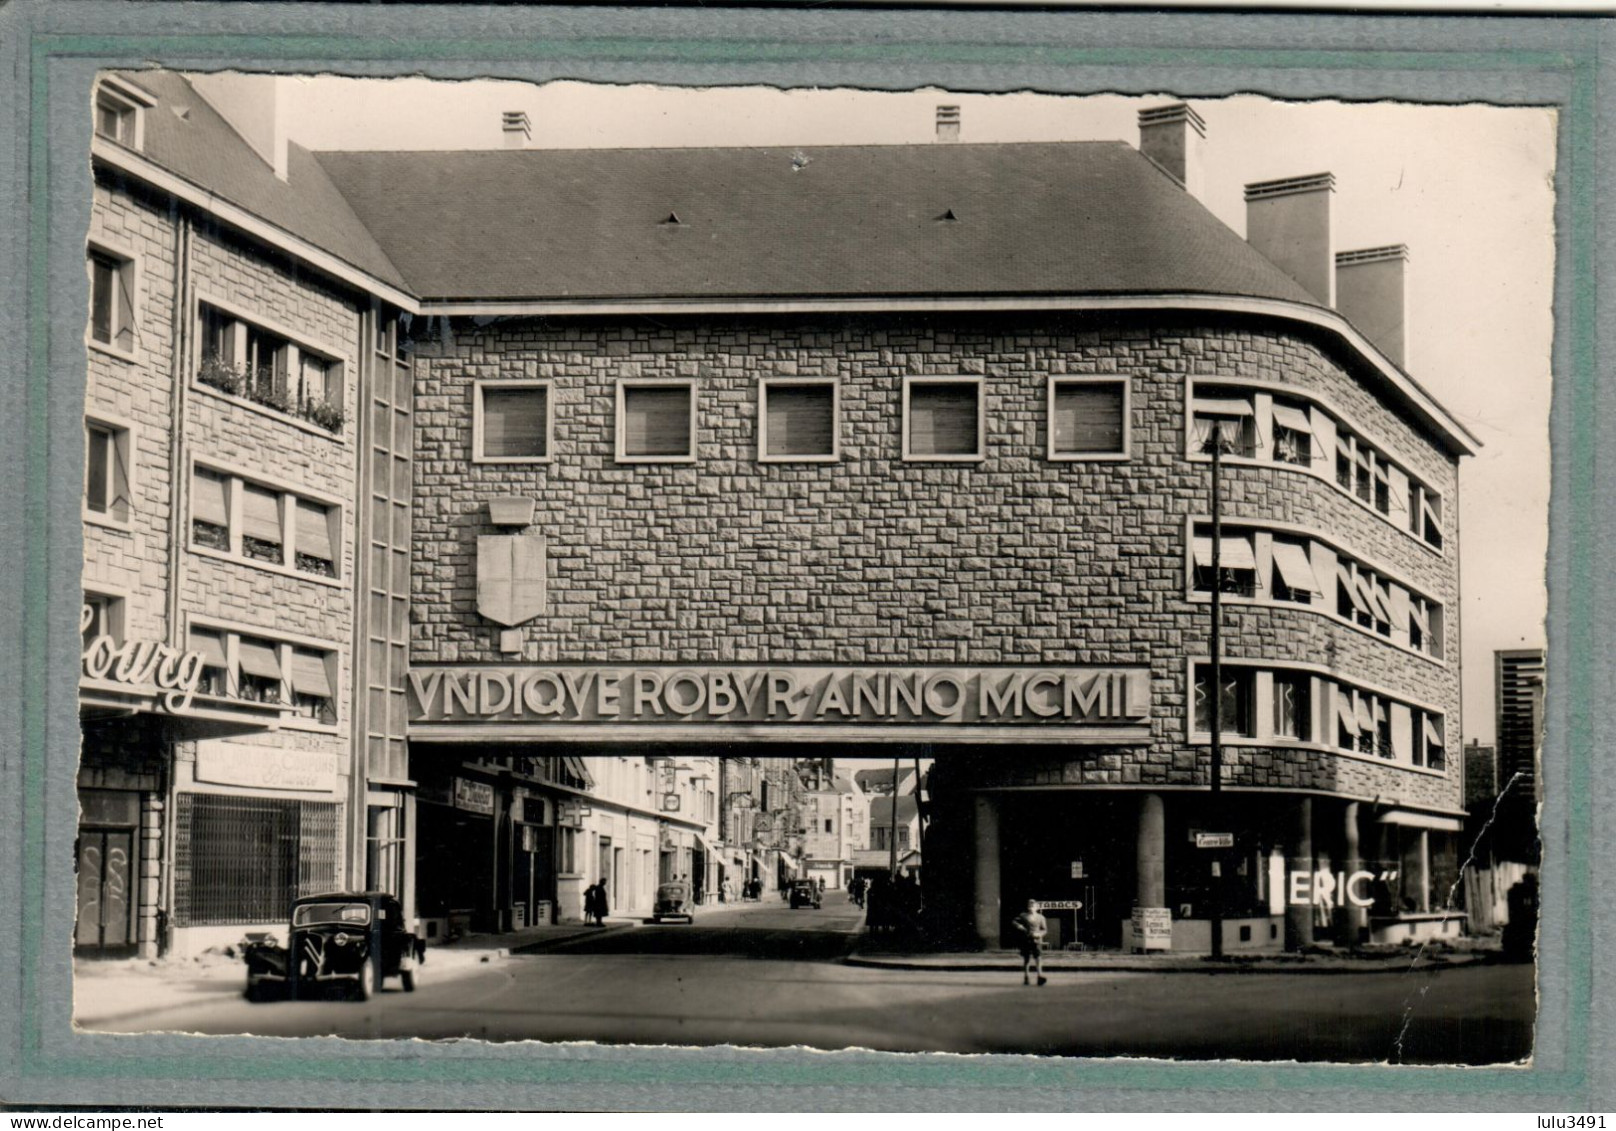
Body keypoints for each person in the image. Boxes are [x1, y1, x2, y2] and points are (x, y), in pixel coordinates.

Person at [1011, 898, 1049, 986]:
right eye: (1029, 905)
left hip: (1037, 940)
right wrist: (1019, 926)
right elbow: (1014, 921)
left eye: (1033, 905)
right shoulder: (1023, 916)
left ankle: (1040, 976)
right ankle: (1026, 976)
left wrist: (1040, 934)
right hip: (1026, 939)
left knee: (1038, 958)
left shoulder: (1041, 917)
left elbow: (1044, 929)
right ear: (1027, 907)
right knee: (1026, 959)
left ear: (1037, 907)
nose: (1031, 907)